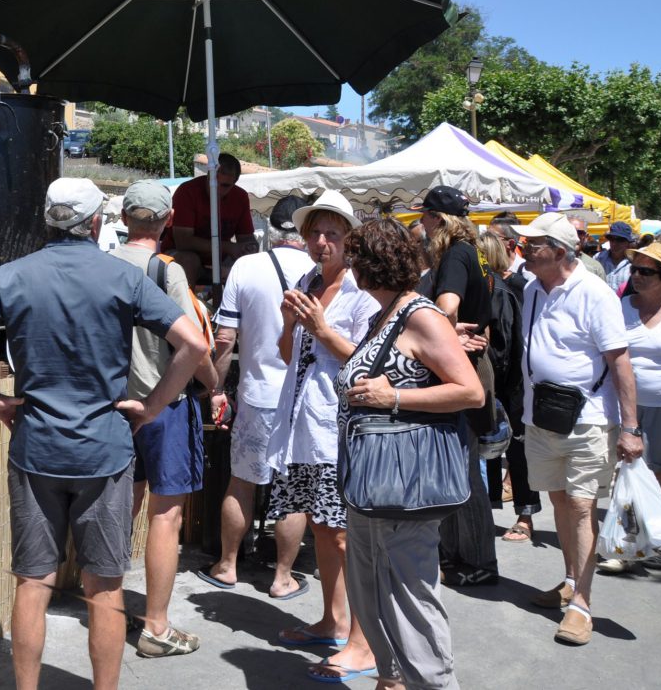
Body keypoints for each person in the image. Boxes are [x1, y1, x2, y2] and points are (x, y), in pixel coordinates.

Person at [0, 177, 208, 690]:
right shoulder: (121, 277)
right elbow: (193, 344)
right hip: (104, 451)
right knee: (104, 588)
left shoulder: (13, 275)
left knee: (32, 584)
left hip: (35, 445)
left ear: (47, 219)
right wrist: (152, 407)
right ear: (97, 223)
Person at [336, 218, 484, 690]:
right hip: (371, 484)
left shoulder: (419, 314)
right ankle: (393, 678)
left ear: (369, 264)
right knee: (372, 592)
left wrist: (393, 398)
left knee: (411, 600)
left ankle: (435, 685)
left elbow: (470, 391)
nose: (349, 266)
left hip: (403, 483)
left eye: (354, 257)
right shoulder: (386, 315)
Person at [511, 212, 642, 646]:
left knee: (582, 508)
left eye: (534, 243)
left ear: (562, 252)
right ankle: (570, 580)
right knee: (559, 501)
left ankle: (582, 605)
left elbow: (619, 361)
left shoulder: (595, 293)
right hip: (541, 417)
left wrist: (631, 428)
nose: (524, 248)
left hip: (588, 419)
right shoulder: (531, 288)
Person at [265, 191, 380, 682]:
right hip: (302, 424)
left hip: (338, 425)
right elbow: (286, 351)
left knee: (343, 534)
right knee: (319, 525)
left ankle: (364, 639)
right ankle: (333, 621)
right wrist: (292, 322)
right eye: (315, 233)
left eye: (332, 234)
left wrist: (320, 326)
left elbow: (367, 357)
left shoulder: (362, 290)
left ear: (349, 241)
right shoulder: (306, 281)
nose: (321, 242)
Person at [110, 180, 217, 657]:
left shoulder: (103, 265)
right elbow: (191, 344)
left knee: (119, 506)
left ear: (123, 218)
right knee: (166, 515)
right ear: (168, 220)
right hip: (164, 405)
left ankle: (106, 607)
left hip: (114, 406)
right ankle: (156, 625)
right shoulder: (165, 270)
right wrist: (215, 385)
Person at [201, 195, 314, 592]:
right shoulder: (324, 269)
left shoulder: (246, 266)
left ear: (271, 230)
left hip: (255, 394)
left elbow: (225, 339)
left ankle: (228, 565)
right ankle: (283, 578)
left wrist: (215, 388)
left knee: (242, 482)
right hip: (306, 400)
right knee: (293, 489)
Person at [411, 185, 498, 587]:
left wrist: (444, 335)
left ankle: (478, 559)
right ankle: (462, 554)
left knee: (462, 469)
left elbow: (446, 306)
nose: (421, 225)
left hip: (459, 370)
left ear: (439, 220)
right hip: (471, 365)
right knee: (462, 465)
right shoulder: (475, 251)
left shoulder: (455, 255)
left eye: (425, 217)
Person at [598, 243, 661, 565]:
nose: (636, 276)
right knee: (625, 471)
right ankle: (625, 545)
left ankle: (654, 541)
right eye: (634, 269)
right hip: (626, 407)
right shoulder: (620, 307)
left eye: (646, 271)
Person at [477, 232, 541, 543]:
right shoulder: (491, 286)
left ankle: (525, 515)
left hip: (512, 380)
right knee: (490, 445)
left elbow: (501, 344)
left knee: (515, 448)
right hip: (505, 379)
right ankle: (491, 510)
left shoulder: (508, 287)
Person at [161, 152, 256, 284]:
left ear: (234, 183)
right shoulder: (187, 191)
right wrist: (228, 247)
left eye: (224, 186)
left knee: (253, 262)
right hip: (179, 254)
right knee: (189, 260)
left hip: (221, 259)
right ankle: (188, 304)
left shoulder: (240, 197)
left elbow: (246, 238)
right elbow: (183, 241)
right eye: (213, 182)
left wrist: (250, 248)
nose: (216, 189)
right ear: (208, 176)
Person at [595, 220, 633, 295]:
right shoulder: (598, 258)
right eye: (612, 239)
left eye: (620, 240)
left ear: (628, 243)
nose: (615, 243)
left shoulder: (633, 264)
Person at [567, 216, 607, 282]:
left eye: (580, 233)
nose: (575, 236)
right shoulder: (551, 262)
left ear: (586, 237)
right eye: (570, 231)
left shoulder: (595, 268)